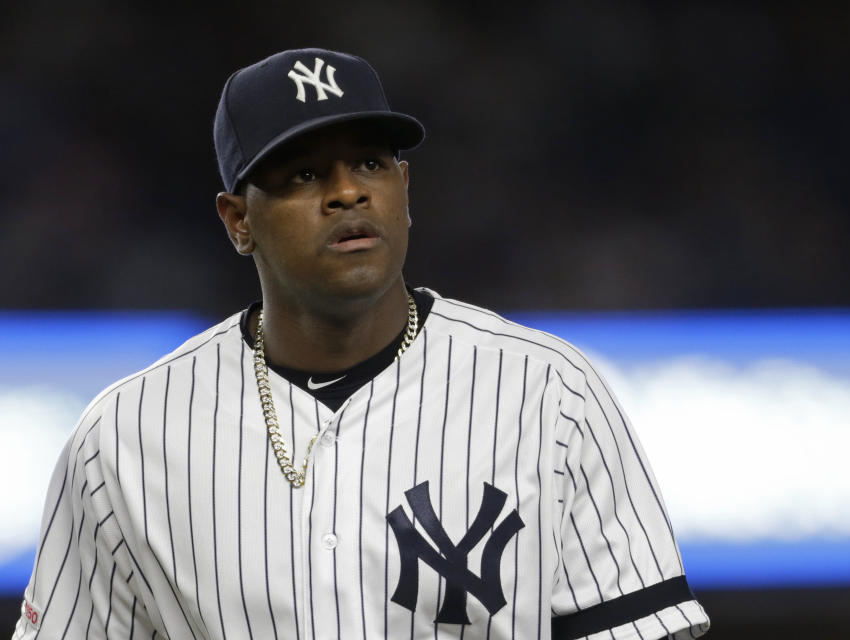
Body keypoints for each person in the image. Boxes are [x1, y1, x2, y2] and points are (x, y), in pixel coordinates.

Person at [14, 48, 710, 639]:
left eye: (371, 164)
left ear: (403, 186)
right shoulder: (124, 437)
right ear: (237, 220)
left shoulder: (549, 393)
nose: (347, 193)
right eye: (304, 173)